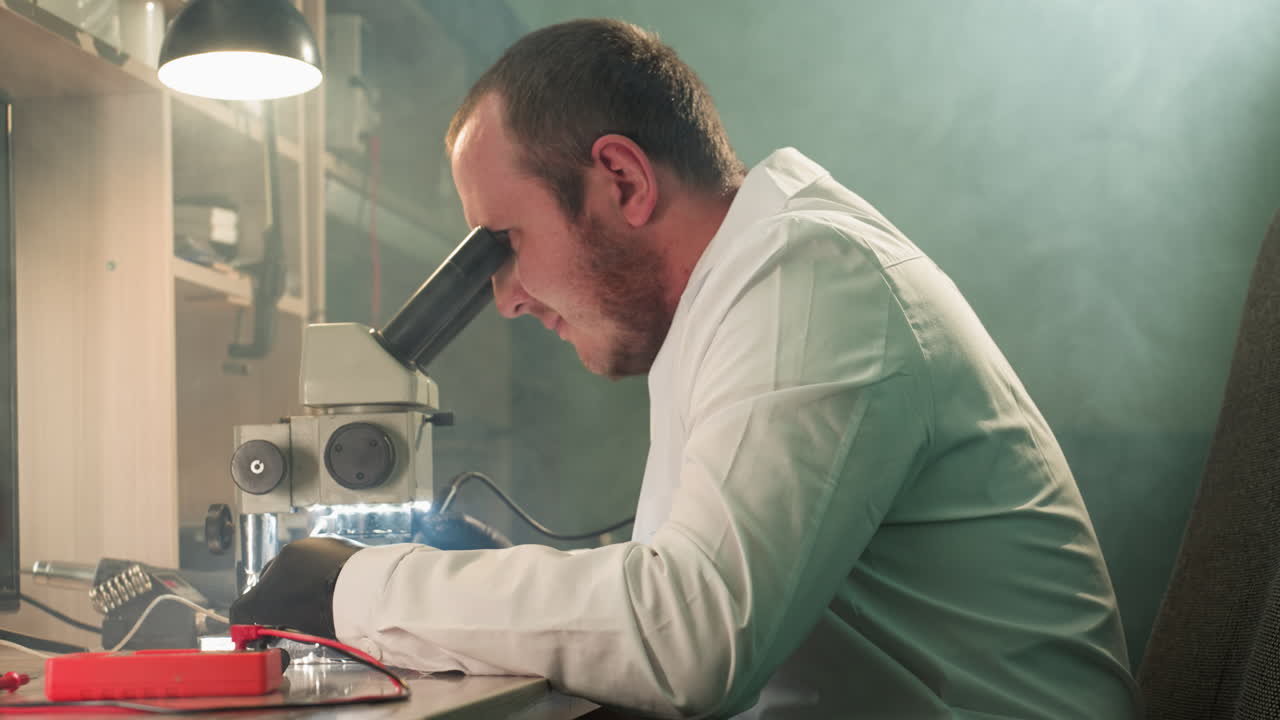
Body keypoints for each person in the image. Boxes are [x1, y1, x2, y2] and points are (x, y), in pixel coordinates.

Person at [231, 18, 1140, 719]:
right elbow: (689, 590)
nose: (504, 298)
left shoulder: (807, 277)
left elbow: (691, 630)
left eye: (504, 243)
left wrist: (354, 585)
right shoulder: (734, 298)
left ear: (622, 180)